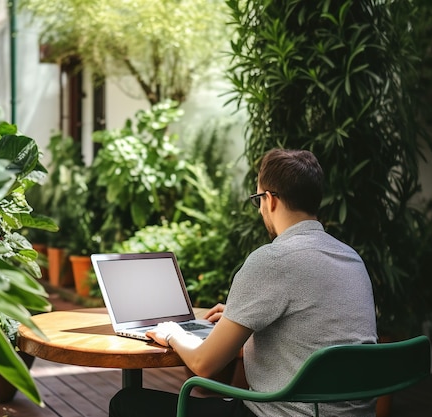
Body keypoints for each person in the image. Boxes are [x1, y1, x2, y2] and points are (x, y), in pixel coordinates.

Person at [109, 148, 377, 417]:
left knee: (127, 402)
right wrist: (242, 314)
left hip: (286, 413)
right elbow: (315, 318)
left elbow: (204, 364)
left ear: (270, 200)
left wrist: (172, 334)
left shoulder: (272, 259)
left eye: (258, 199)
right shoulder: (351, 258)